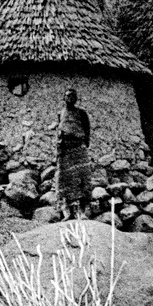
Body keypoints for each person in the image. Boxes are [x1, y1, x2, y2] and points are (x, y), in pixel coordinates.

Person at [56, 87, 92, 220]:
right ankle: (68, 212)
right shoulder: (61, 113)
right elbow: (59, 131)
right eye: (68, 96)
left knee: (82, 179)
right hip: (65, 149)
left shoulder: (81, 113)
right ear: (64, 98)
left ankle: (81, 212)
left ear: (76, 99)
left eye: (73, 96)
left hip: (78, 148)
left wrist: (84, 144)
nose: (71, 98)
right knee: (64, 180)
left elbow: (87, 129)